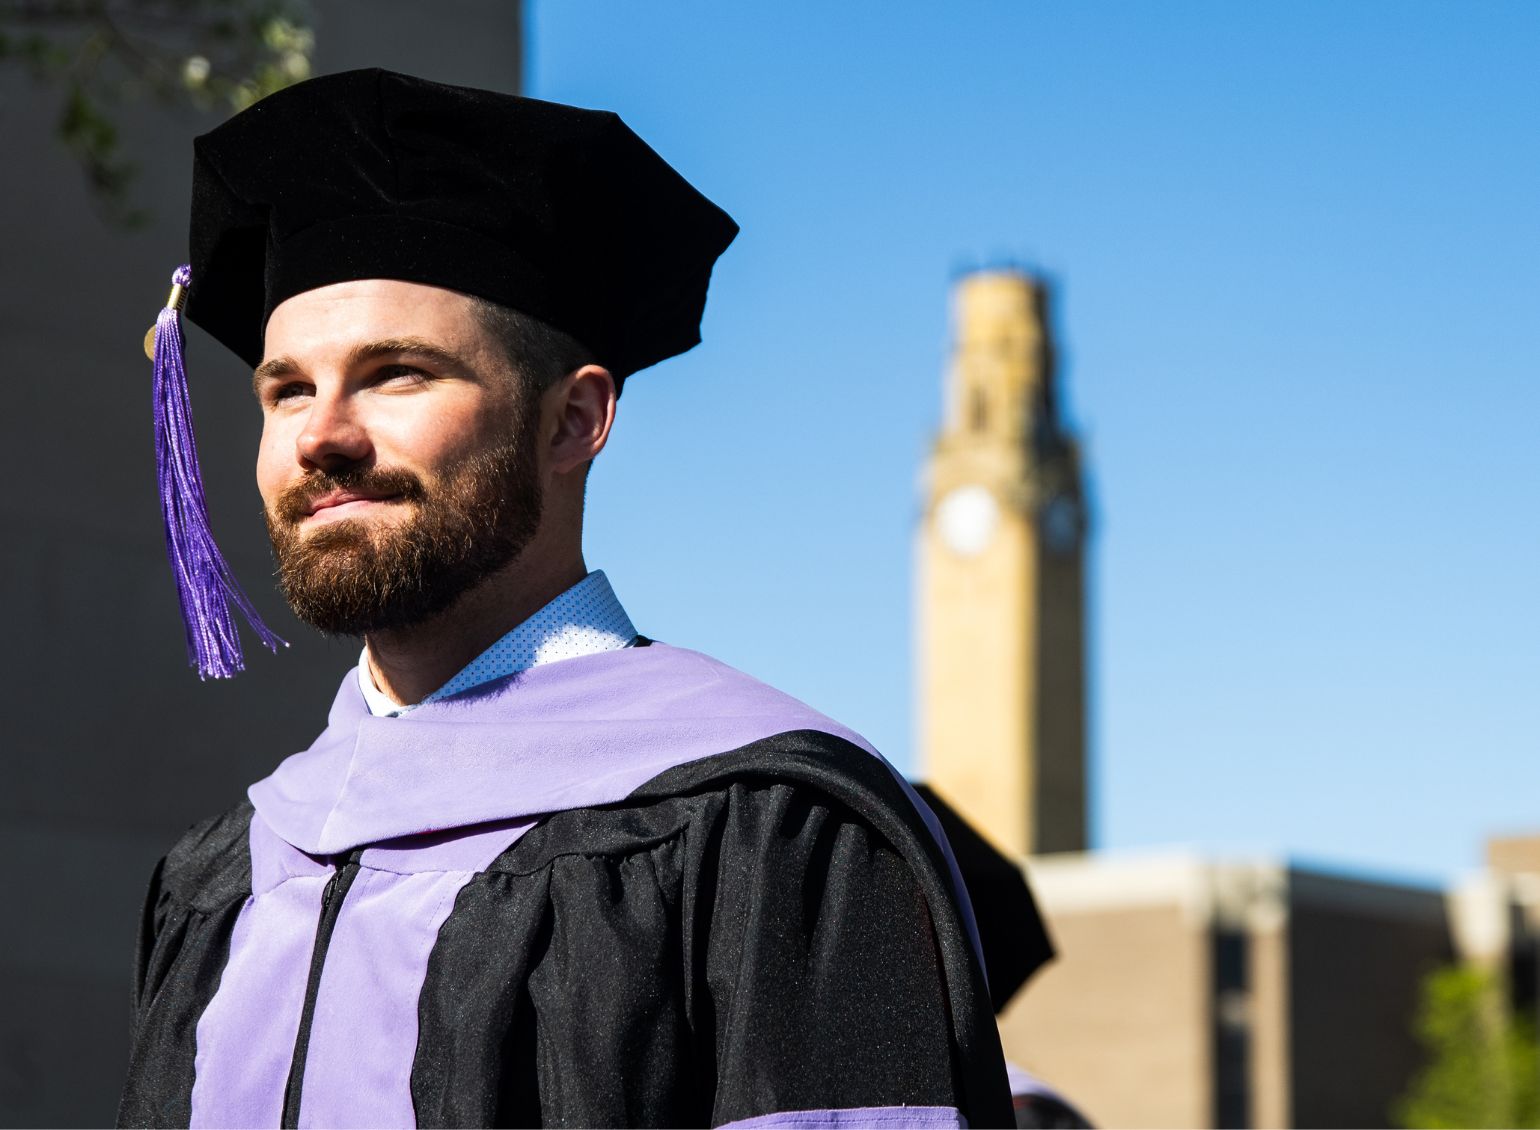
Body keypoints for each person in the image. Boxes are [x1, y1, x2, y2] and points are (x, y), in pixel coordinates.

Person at [116, 68, 1013, 1129]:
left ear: (573, 422)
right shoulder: (228, 872)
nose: (323, 434)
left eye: (399, 372)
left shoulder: (764, 832)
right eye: (288, 388)